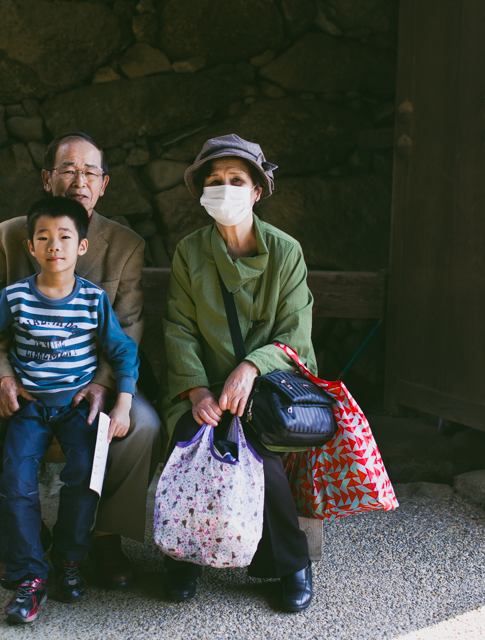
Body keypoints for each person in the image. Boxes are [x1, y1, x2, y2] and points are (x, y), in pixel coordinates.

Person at [0, 132, 162, 590]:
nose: (79, 180)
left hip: (93, 380)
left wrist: (105, 384)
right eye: (68, 169)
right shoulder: (8, 237)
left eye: (90, 172)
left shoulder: (126, 244)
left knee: (143, 426)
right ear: (47, 179)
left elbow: (130, 326)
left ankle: (103, 538)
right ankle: (17, 539)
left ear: (104, 184)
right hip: (24, 384)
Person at [0, 196, 140, 624]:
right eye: (44, 238)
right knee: (17, 481)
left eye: (65, 237)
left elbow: (123, 351)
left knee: (85, 478)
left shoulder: (93, 301)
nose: (54, 245)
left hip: (78, 409)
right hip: (29, 409)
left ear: (82, 248)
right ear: (30, 248)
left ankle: (69, 560)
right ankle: (28, 577)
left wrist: (124, 401)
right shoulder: (15, 298)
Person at [160, 134, 316, 612]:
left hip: (267, 390)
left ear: (257, 191)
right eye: (213, 181)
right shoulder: (190, 252)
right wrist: (196, 389)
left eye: (235, 180)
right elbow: (179, 326)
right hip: (203, 387)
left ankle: (292, 564)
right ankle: (181, 557)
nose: (223, 189)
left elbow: (296, 333)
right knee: (190, 440)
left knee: (258, 452)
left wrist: (251, 367)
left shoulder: (285, 251)